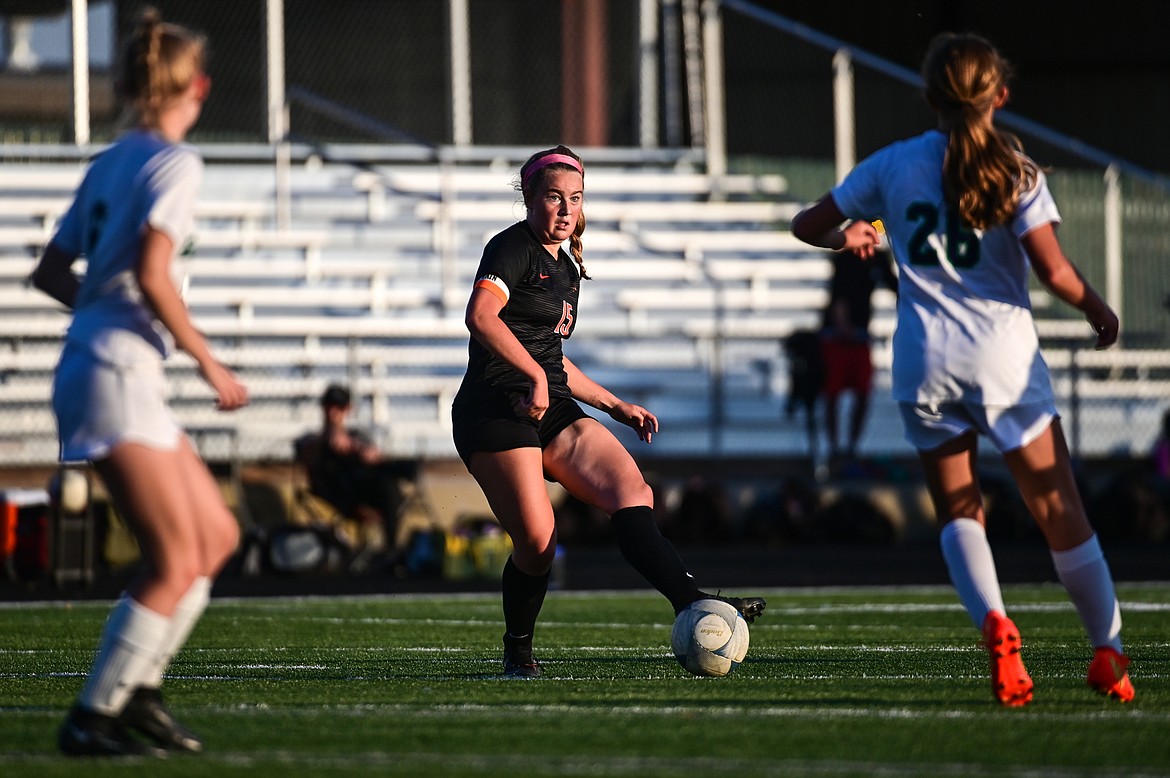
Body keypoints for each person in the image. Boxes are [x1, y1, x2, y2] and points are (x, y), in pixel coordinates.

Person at [790, 32, 1133, 706]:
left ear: (929, 96)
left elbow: (808, 224)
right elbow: (1054, 270)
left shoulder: (892, 163)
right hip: (1002, 358)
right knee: (1059, 509)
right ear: (999, 96)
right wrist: (1099, 311)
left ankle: (997, 627)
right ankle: (1108, 654)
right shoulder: (1016, 169)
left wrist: (849, 234)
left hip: (924, 361)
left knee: (958, 509)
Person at [451, 145, 766, 677]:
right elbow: (480, 317)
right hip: (495, 408)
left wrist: (615, 405)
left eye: (574, 199)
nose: (565, 209)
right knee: (538, 542)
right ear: (529, 198)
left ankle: (694, 603)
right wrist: (533, 377)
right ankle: (518, 651)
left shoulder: (568, 264)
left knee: (631, 491)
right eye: (553, 197)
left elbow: (552, 358)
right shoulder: (511, 246)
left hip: (548, 403)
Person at [31, 9, 247, 756]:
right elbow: (154, 275)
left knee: (216, 537)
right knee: (176, 559)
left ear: (125, 85)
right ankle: (92, 717)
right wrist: (209, 360)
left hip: (105, 363)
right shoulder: (175, 163)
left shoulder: (111, 158)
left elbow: (52, 271)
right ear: (200, 87)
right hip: (117, 372)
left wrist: (102, 313)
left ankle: (140, 695)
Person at [296, 383, 418, 562]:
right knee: (387, 485)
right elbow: (306, 453)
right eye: (329, 407)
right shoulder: (312, 440)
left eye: (339, 407)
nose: (333, 412)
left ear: (347, 409)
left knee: (387, 480)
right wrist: (330, 443)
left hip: (367, 486)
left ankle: (391, 549)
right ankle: (391, 550)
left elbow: (374, 454)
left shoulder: (357, 435)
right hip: (341, 491)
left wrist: (356, 449)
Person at [819, 244, 897, 467]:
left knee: (862, 392)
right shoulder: (846, 257)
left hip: (859, 335)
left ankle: (851, 448)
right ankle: (835, 448)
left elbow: (893, 285)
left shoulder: (877, 258)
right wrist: (843, 325)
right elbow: (839, 293)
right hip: (839, 336)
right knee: (832, 393)